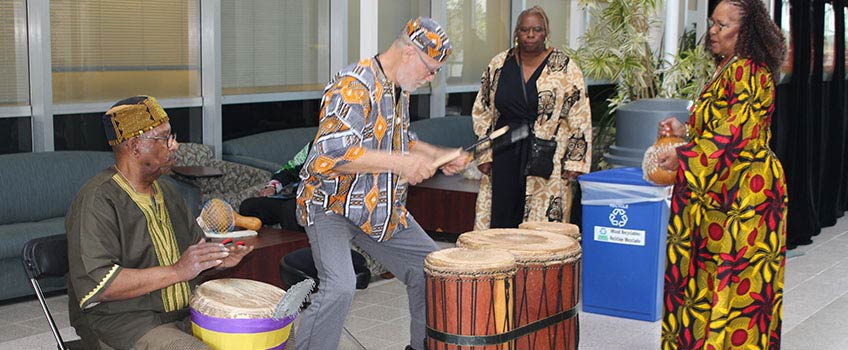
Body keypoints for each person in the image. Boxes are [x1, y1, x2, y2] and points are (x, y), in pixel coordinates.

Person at [294, 17, 468, 350]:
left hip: (376, 206)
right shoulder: (353, 85)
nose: (431, 79)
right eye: (430, 69)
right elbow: (332, 153)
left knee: (430, 269)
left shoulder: (396, 88)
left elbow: (402, 139)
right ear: (408, 55)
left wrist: (441, 155)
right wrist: (403, 163)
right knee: (340, 285)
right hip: (331, 204)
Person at [66, 96, 254, 350]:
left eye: (171, 135)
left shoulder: (168, 190)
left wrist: (218, 260)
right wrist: (178, 270)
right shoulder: (97, 200)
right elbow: (102, 285)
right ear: (134, 146)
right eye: (164, 138)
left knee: (270, 335)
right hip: (124, 322)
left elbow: (192, 257)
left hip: (184, 312)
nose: (174, 145)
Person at [656, 0, 788, 348]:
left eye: (722, 25)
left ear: (746, 32)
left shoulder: (749, 70)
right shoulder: (729, 66)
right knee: (709, 280)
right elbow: (717, 124)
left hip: (745, 193)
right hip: (722, 187)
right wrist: (684, 130)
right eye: (712, 23)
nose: (712, 31)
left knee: (733, 285)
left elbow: (734, 132)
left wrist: (683, 156)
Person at [471, 5, 592, 230]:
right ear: (516, 32)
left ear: (545, 32)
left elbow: (579, 115)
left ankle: (536, 266)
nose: (530, 35)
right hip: (504, 150)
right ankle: (500, 263)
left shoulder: (565, 67)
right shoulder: (499, 64)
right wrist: (484, 154)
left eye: (536, 29)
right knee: (501, 217)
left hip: (546, 152)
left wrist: (575, 161)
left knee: (540, 224)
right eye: (525, 29)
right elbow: (483, 109)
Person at [238, 143, 309, 232]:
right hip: (297, 198)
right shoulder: (314, 145)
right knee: (249, 207)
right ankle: (260, 245)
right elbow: (289, 168)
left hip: (321, 203)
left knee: (290, 210)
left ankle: (294, 245)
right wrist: (272, 187)